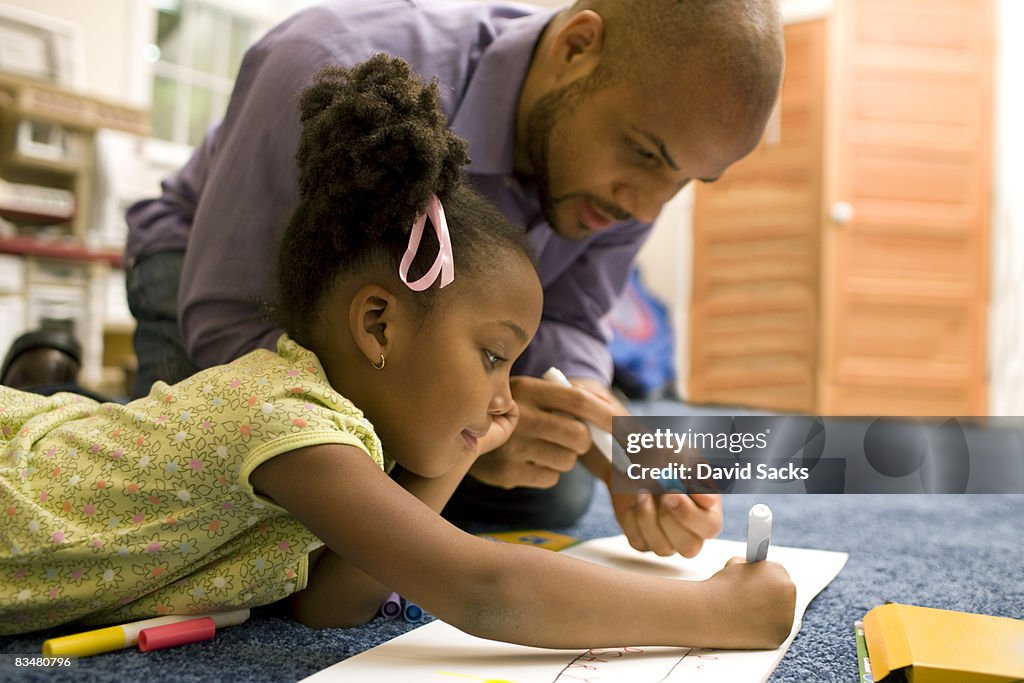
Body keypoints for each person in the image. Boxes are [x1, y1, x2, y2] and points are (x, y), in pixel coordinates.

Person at [1, 57, 796, 646]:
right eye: (494, 357)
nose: (509, 397)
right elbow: (481, 585)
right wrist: (712, 612)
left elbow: (331, 602)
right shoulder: (283, 416)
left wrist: (463, 443)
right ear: (379, 326)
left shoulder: (324, 434)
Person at [125, 0, 785, 548]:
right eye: (643, 154)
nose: (644, 207)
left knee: (558, 488)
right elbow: (226, 317)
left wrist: (605, 429)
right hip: (222, 277)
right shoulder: (326, 60)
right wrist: (458, 427)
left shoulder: (636, 180)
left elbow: (573, 317)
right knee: (214, 516)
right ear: (577, 45)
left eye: (683, 180)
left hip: (418, 342)